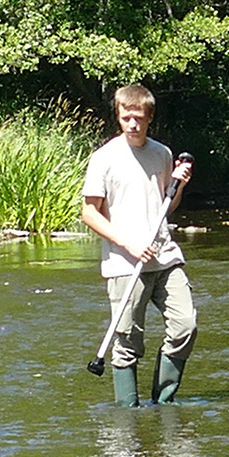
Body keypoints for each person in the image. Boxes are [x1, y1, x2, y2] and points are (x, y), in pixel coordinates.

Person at [80, 84, 196, 406]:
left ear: (150, 118)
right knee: (128, 341)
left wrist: (179, 185)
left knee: (185, 326)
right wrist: (128, 244)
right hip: (125, 263)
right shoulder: (104, 158)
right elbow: (89, 213)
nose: (132, 124)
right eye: (126, 117)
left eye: (139, 118)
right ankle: (127, 413)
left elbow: (165, 207)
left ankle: (162, 403)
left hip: (165, 257)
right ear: (118, 116)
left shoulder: (162, 154)